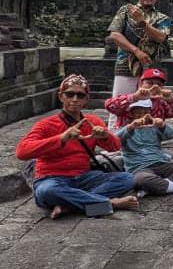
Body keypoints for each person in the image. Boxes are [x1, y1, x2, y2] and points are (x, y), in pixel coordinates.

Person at [16, 75, 138, 219]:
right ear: (61, 96)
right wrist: (61, 138)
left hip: (84, 177)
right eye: (69, 94)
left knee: (127, 178)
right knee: (46, 191)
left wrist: (105, 136)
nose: (74, 99)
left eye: (80, 95)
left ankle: (68, 205)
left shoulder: (92, 122)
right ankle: (108, 204)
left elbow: (115, 147)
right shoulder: (46, 124)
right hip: (52, 178)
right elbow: (22, 152)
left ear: (86, 99)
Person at [106, 0, 171, 130]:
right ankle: (114, 138)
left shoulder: (162, 18)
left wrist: (143, 23)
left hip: (150, 68)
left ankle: (147, 137)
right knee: (119, 104)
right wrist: (136, 51)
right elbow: (114, 34)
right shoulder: (125, 11)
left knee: (149, 106)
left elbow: (161, 37)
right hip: (125, 64)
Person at [117, 99, 173, 196]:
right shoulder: (126, 129)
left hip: (161, 163)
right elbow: (115, 141)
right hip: (139, 167)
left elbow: (172, 135)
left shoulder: (154, 127)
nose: (142, 115)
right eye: (138, 112)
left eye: (146, 112)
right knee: (141, 180)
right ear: (131, 114)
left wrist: (162, 125)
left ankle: (155, 187)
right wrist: (131, 127)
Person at [105, 68, 173, 132]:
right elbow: (109, 105)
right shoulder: (130, 99)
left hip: (151, 142)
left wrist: (171, 100)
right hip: (126, 142)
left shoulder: (161, 103)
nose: (155, 87)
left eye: (159, 84)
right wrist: (134, 97)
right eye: (150, 83)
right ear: (140, 83)